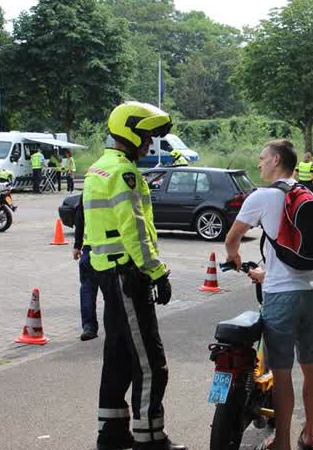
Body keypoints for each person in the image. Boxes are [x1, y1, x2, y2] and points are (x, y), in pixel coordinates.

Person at [83, 101, 184, 450]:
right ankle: (150, 439)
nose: (148, 145)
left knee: (119, 358)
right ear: (129, 132)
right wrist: (158, 272)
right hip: (129, 275)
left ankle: (111, 434)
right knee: (151, 363)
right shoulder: (124, 173)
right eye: (145, 137)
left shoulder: (98, 168)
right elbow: (134, 231)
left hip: (108, 274)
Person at [224, 139, 313, 450]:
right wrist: (270, 271)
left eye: (263, 158)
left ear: (277, 160)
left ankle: (281, 441)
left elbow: (232, 238)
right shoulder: (305, 194)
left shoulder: (263, 196)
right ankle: (310, 433)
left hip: (281, 296)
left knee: (281, 373)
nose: (259, 164)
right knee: (310, 364)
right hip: (311, 291)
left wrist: (234, 257)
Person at [73, 200, 99, 341]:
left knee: (88, 289)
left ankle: (89, 327)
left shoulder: (90, 185)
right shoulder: (116, 183)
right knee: (112, 293)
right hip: (113, 250)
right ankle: (116, 325)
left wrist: (77, 245)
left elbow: (79, 217)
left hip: (89, 248)